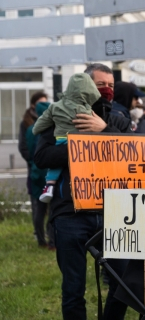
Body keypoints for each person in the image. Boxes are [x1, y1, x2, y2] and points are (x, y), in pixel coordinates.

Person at [34, 63, 131, 320]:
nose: (106, 90)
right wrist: (81, 145)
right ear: (85, 85)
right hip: (70, 214)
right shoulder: (59, 114)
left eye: (111, 85)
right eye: (100, 85)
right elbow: (41, 155)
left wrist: (104, 132)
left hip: (114, 214)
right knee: (73, 289)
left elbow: (134, 155)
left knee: (123, 283)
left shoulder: (118, 120)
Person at [32, 74, 101, 203]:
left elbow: (43, 121)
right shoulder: (87, 110)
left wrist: (36, 130)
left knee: (56, 165)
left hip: (61, 138)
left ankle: (49, 185)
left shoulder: (55, 106)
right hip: (82, 140)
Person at [25, 101, 54, 249]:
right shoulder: (50, 128)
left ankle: (41, 239)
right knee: (52, 209)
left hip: (35, 173)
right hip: (50, 173)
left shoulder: (30, 129)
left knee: (39, 209)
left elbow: (28, 150)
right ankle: (52, 240)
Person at [18, 91, 48, 232]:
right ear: (32, 105)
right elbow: (24, 146)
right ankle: (39, 234)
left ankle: (47, 236)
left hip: (44, 170)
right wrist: (33, 162)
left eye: (45, 102)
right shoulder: (27, 123)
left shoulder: (48, 120)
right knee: (37, 204)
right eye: (39, 103)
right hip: (34, 170)